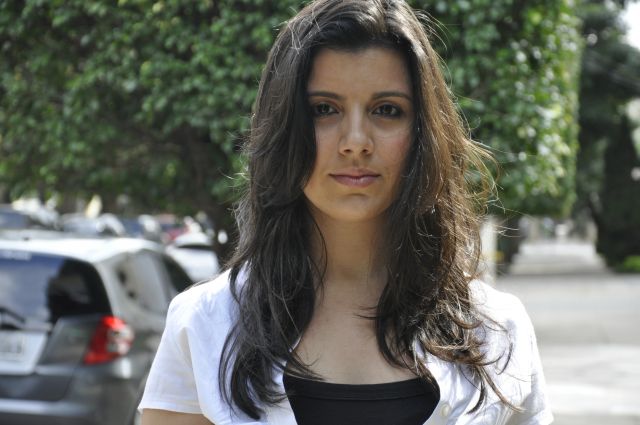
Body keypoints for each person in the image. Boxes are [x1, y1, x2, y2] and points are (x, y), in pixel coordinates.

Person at [139, 0, 552, 424]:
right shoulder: (203, 325)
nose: (355, 141)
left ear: (422, 134)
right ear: (284, 126)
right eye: (324, 109)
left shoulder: (496, 331)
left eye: (386, 110)